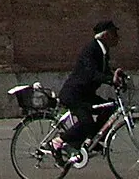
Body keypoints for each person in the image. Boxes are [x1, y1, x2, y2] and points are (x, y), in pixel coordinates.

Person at [53, 20, 123, 161]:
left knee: (109, 108)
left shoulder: (103, 51)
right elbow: (91, 73)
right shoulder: (91, 49)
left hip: (86, 94)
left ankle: (91, 140)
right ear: (105, 35)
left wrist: (119, 78)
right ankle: (58, 141)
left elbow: (104, 72)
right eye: (114, 33)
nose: (117, 37)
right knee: (87, 122)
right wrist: (110, 80)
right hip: (74, 94)